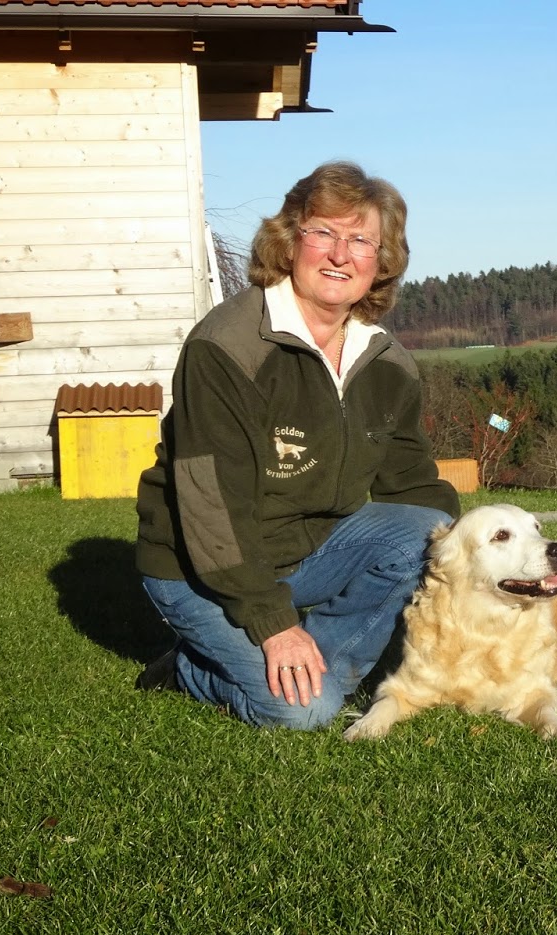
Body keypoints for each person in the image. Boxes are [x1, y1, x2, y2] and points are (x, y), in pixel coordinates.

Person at [133, 161, 459, 730]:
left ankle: (318, 665)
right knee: (303, 711)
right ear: (289, 241)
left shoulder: (387, 363)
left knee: (425, 527)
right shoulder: (227, 347)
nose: (341, 254)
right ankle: (192, 669)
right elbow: (212, 512)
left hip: (307, 551)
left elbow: (413, 487)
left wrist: (487, 554)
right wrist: (271, 623)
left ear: (380, 261)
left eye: (361, 240)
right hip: (199, 563)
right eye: (324, 233)